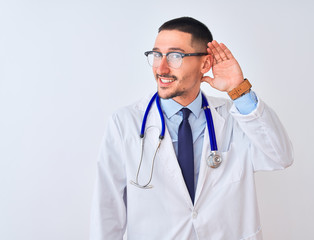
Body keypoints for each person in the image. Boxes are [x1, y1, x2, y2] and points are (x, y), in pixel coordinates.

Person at [90, 17, 293, 240]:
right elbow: (106, 209)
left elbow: (280, 156)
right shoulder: (125, 123)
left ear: (205, 64)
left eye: (175, 56)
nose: (161, 67)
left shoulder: (235, 118)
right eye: (157, 54)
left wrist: (239, 91)